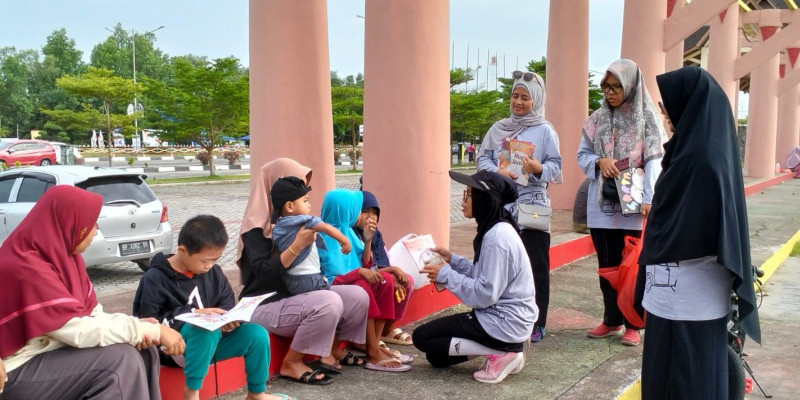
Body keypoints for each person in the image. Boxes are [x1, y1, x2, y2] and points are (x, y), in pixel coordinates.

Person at [638, 66, 761, 399]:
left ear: (688, 107)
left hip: (689, 298)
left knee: (687, 382)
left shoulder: (701, 160)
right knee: (670, 378)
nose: (666, 118)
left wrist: (652, 247)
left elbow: (688, 231)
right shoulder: (694, 151)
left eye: (668, 110)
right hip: (675, 296)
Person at [0, 185, 185, 400]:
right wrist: (154, 332)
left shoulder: (65, 258)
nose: (96, 230)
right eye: (90, 223)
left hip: (51, 352)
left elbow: (92, 315)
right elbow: (77, 329)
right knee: (118, 362)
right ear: (70, 223)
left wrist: (140, 331)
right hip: (18, 368)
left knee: (142, 349)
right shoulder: (25, 265)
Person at [237, 158, 369, 385]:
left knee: (358, 297)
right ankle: (292, 362)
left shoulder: (299, 223)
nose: (306, 200)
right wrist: (296, 245)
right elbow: (263, 276)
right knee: (328, 302)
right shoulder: (255, 232)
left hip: (299, 296)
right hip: (265, 302)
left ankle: (331, 349)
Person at [133, 215, 292, 400]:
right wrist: (194, 314)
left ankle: (257, 394)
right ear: (182, 250)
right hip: (176, 349)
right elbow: (150, 321)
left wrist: (230, 320)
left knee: (256, 334)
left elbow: (226, 303)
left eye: (215, 260)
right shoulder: (155, 278)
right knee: (204, 329)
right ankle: (191, 393)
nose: (209, 266)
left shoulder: (214, 272)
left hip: (214, 342)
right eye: (204, 261)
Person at [412, 170, 536, 384]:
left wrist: (446, 274)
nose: (464, 200)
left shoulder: (497, 238)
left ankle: (505, 352)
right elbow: (485, 275)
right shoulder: (496, 229)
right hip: (504, 318)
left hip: (502, 320)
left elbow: (485, 294)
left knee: (422, 338)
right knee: (437, 357)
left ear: (484, 199)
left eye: (469, 194)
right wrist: (452, 260)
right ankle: (505, 347)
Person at [576, 59, 667, 346]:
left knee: (633, 268)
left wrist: (650, 198)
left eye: (616, 87)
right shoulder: (595, 120)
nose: (610, 93)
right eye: (606, 87)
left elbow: (655, 160)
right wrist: (598, 161)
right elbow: (581, 155)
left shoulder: (648, 120)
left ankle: (634, 323)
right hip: (603, 205)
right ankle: (611, 319)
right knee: (607, 267)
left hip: (636, 205)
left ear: (631, 86)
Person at [477, 70, 562, 343]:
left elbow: (555, 166)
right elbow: (483, 161)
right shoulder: (499, 128)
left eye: (525, 97)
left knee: (536, 262)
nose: (519, 102)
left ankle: (537, 322)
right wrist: (499, 173)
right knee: (500, 260)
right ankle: (501, 313)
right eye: (515, 95)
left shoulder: (545, 130)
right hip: (503, 207)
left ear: (535, 100)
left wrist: (538, 168)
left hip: (533, 205)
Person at [318, 189, 412, 372]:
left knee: (384, 281)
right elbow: (332, 277)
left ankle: (374, 346)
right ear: (343, 210)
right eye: (355, 208)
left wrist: (368, 241)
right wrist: (360, 273)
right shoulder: (323, 236)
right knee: (363, 286)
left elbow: (366, 264)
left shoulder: (348, 232)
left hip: (352, 280)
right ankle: (372, 351)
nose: (358, 212)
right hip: (334, 286)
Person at [270, 176, 352, 295]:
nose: (309, 204)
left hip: (291, 281)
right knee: (331, 297)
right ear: (289, 206)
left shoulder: (278, 227)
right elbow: (326, 227)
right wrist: (344, 241)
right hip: (310, 279)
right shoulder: (306, 221)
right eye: (305, 201)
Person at [354, 190, 415, 346]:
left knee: (406, 280)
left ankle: (387, 329)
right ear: (354, 212)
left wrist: (392, 271)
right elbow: (362, 269)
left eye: (374, 212)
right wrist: (391, 271)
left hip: (376, 274)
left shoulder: (376, 235)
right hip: (360, 278)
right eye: (365, 211)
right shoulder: (351, 234)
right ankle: (372, 335)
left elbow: (382, 263)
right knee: (387, 280)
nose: (370, 216)